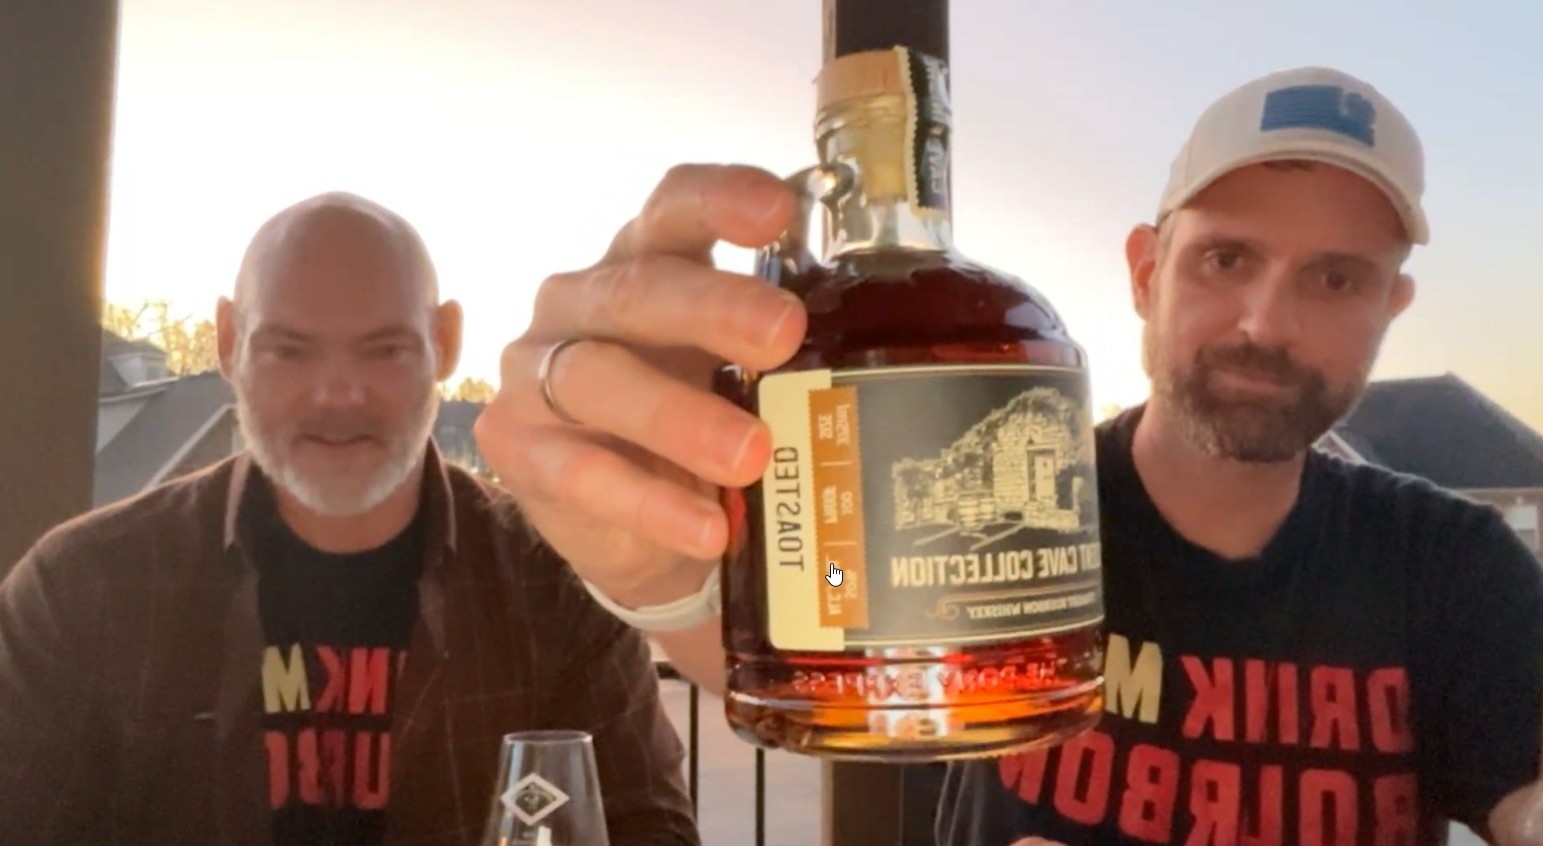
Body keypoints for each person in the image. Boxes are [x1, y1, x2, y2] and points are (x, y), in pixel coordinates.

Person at [472, 66, 1543, 845]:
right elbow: (796, 652)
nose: (1265, 320)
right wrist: (654, 579)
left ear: (1391, 305)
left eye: (1336, 279)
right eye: (1226, 256)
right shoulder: (990, 483)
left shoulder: (1453, 567)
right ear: (1142, 269)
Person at [0, 192, 699, 845]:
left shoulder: (555, 585)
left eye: (384, 349)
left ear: (446, 342)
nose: (337, 394)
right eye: (289, 350)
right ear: (226, 343)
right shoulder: (84, 590)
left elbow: (649, 831)